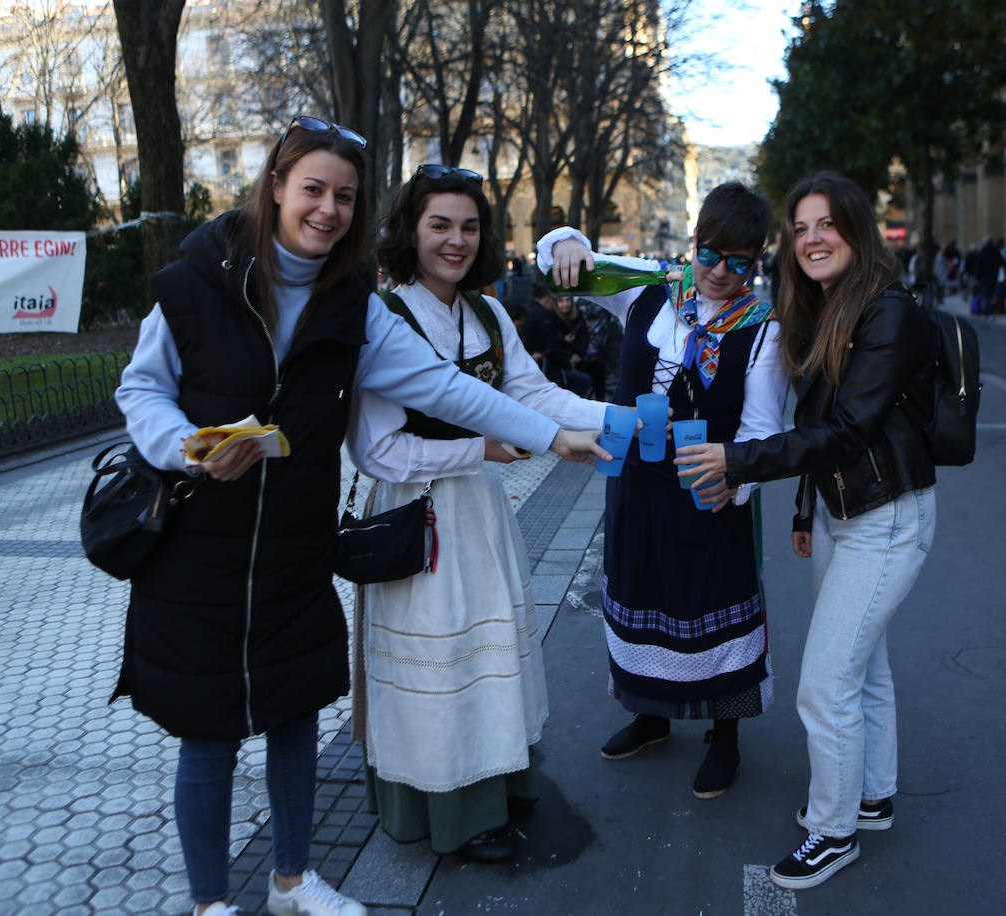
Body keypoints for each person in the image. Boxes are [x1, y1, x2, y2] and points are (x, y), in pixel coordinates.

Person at [113, 119, 606, 916]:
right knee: (205, 734)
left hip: (294, 543)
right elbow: (142, 388)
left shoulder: (353, 304)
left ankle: (293, 881)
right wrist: (185, 448)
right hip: (198, 546)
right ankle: (210, 904)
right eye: (313, 189)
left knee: (295, 716)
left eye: (344, 195)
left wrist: (553, 435)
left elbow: (451, 390)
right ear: (276, 186)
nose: (328, 209)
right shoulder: (198, 278)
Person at [676, 172, 938, 891]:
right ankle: (873, 797)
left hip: (885, 519)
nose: (814, 237)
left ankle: (834, 831)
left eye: (827, 223)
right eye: (802, 226)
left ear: (855, 229)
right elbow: (818, 421)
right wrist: (802, 511)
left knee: (824, 685)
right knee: (864, 668)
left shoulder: (886, 312)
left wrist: (738, 460)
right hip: (841, 514)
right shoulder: (825, 305)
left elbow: (848, 430)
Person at [346, 163, 607, 863]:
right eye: (439, 225)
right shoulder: (384, 315)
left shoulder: (487, 312)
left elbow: (536, 397)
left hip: (480, 518)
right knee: (439, 667)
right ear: (409, 230)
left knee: (483, 660)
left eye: (468, 226)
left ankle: (498, 786)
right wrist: (478, 451)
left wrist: (622, 419)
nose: (456, 241)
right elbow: (377, 452)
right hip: (414, 519)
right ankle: (451, 815)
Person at [539, 182, 787, 800]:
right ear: (693, 241)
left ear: (756, 261)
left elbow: (760, 430)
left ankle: (725, 737)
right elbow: (565, 265)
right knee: (639, 591)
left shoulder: (763, 330)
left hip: (709, 491)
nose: (719, 273)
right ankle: (650, 715)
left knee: (713, 605)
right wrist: (565, 241)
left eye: (739, 262)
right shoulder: (652, 287)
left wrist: (729, 489)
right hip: (636, 488)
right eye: (709, 254)